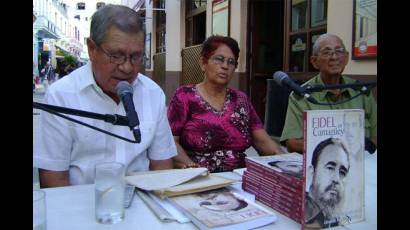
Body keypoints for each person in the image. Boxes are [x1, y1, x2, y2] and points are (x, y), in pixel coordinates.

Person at [34, 4, 177, 188]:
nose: (126, 67)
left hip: (143, 205)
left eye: (135, 57)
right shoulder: (61, 96)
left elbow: (162, 167)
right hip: (82, 207)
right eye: (116, 55)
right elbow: (54, 180)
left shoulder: (153, 93)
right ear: (92, 49)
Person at [167, 35, 281, 172]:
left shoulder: (241, 100)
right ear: (203, 63)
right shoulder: (184, 96)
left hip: (238, 178)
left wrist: (286, 161)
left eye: (231, 62)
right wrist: (195, 171)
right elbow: (170, 142)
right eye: (219, 59)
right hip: (198, 178)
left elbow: (263, 141)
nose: (225, 66)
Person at [280, 33, 377, 154]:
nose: (334, 57)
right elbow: (292, 143)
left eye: (339, 51)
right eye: (327, 52)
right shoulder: (301, 96)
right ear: (314, 61)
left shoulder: (361, 92)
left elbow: (375, 134)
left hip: (362, 164)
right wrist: (339, 145)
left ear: (346, 58)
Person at [305, 138, 350, 228]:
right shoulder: (301, 212)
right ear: (312, 172)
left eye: (342, 172)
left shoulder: (345, 218)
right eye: (330, 168)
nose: (336, 179)